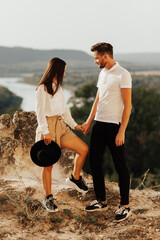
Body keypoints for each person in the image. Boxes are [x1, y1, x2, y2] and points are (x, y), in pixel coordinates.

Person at [82, 43, 132, 222]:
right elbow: (98, 99)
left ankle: (125, 206)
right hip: (99, 125)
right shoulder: (102, 73)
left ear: (105, 56)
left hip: (114, 127)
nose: (95, 61)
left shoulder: (123, 74)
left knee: (121, 166)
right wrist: (89, 122)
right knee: (95, 162)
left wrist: (122, 131)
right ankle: (101, 200)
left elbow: (128, 105)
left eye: (96, 58)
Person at [35, 57, 88, 212]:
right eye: (64, 70)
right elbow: (40, 113)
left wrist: (75, 125)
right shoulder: (42, 89)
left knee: (83, 149)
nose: (65, 73)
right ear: (57, 70)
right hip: (48, 126)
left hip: (61, 125)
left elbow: (65, 110)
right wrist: (45, 132)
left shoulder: (58, 87)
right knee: (48, 164)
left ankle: (75, 178)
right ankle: (48, 198)